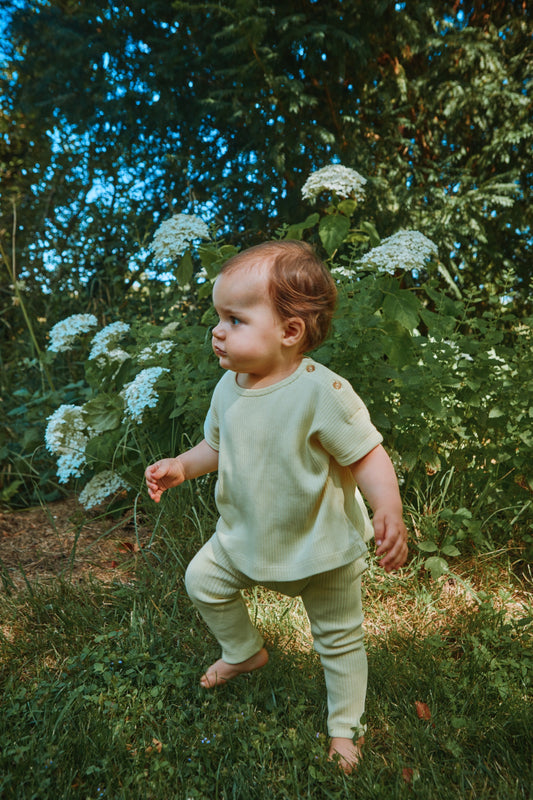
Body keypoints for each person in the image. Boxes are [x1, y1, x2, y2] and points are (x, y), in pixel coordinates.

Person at [145, 240, 408, 774]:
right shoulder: (228, 388)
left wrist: (389, 507)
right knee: (203, 581)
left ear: (290, 332)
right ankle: (244, 651)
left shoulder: (321, 393)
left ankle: (344, 730)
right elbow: (216, 447)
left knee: (339, 640)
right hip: (245, 536)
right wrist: (182, 466)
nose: (217, 330)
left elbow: (366, 454)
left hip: (321, 544)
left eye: (235, 319)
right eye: (218, 317)